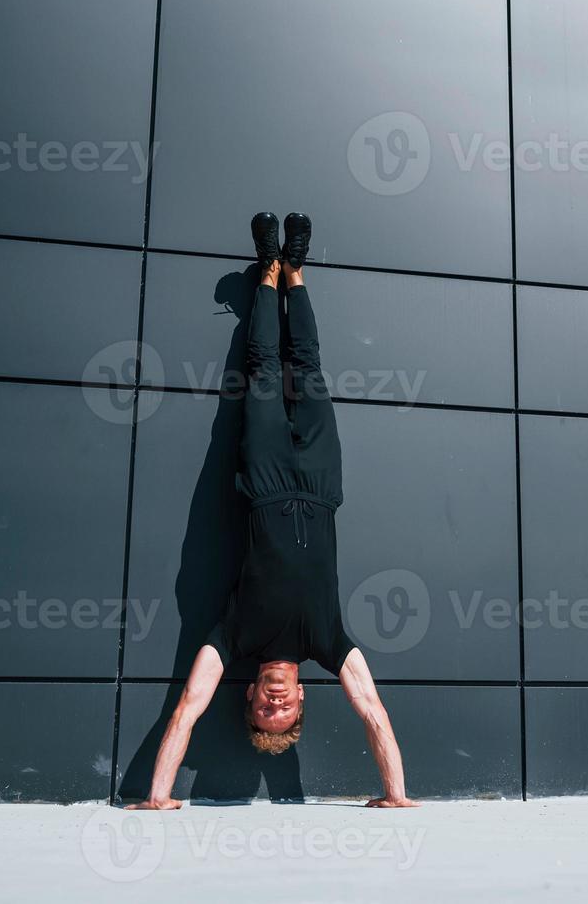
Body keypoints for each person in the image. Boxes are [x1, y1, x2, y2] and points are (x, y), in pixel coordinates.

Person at [128, 212, 417, 810]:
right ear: (304, 699)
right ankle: (297, 273)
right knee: (307, 369)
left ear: (253, 694)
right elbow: (372, 709)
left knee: (262, 370)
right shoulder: (329, 641)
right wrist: (395, 795)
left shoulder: (234, 637)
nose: (275, 705)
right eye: (284, 712)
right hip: (320, 484)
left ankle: (267, 271)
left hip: (261, 480)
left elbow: (185, 709)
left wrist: (158, 799)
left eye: (265, 708)